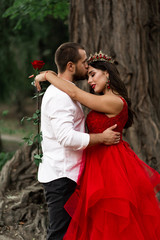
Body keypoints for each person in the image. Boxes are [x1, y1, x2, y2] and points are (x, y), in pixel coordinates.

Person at [35, 50, 160, 240]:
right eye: (88, 76)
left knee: (110, 223)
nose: (90, 81)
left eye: (93, 74)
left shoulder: (114, 101)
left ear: (107, 73)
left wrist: (48, 75)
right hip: (94, 165)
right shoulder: (103, 99)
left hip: (111, 167)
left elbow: (75, 92)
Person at [34, 43, 120, 240]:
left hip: (70, 175)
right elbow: (66, 137)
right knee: (60, 235)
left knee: (72, 234)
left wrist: (47, 75)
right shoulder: (60, 96)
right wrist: (101, 138)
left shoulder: (67, 92)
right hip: (61, 177)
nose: (87, 66)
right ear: (71, 66)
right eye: (84, 62)